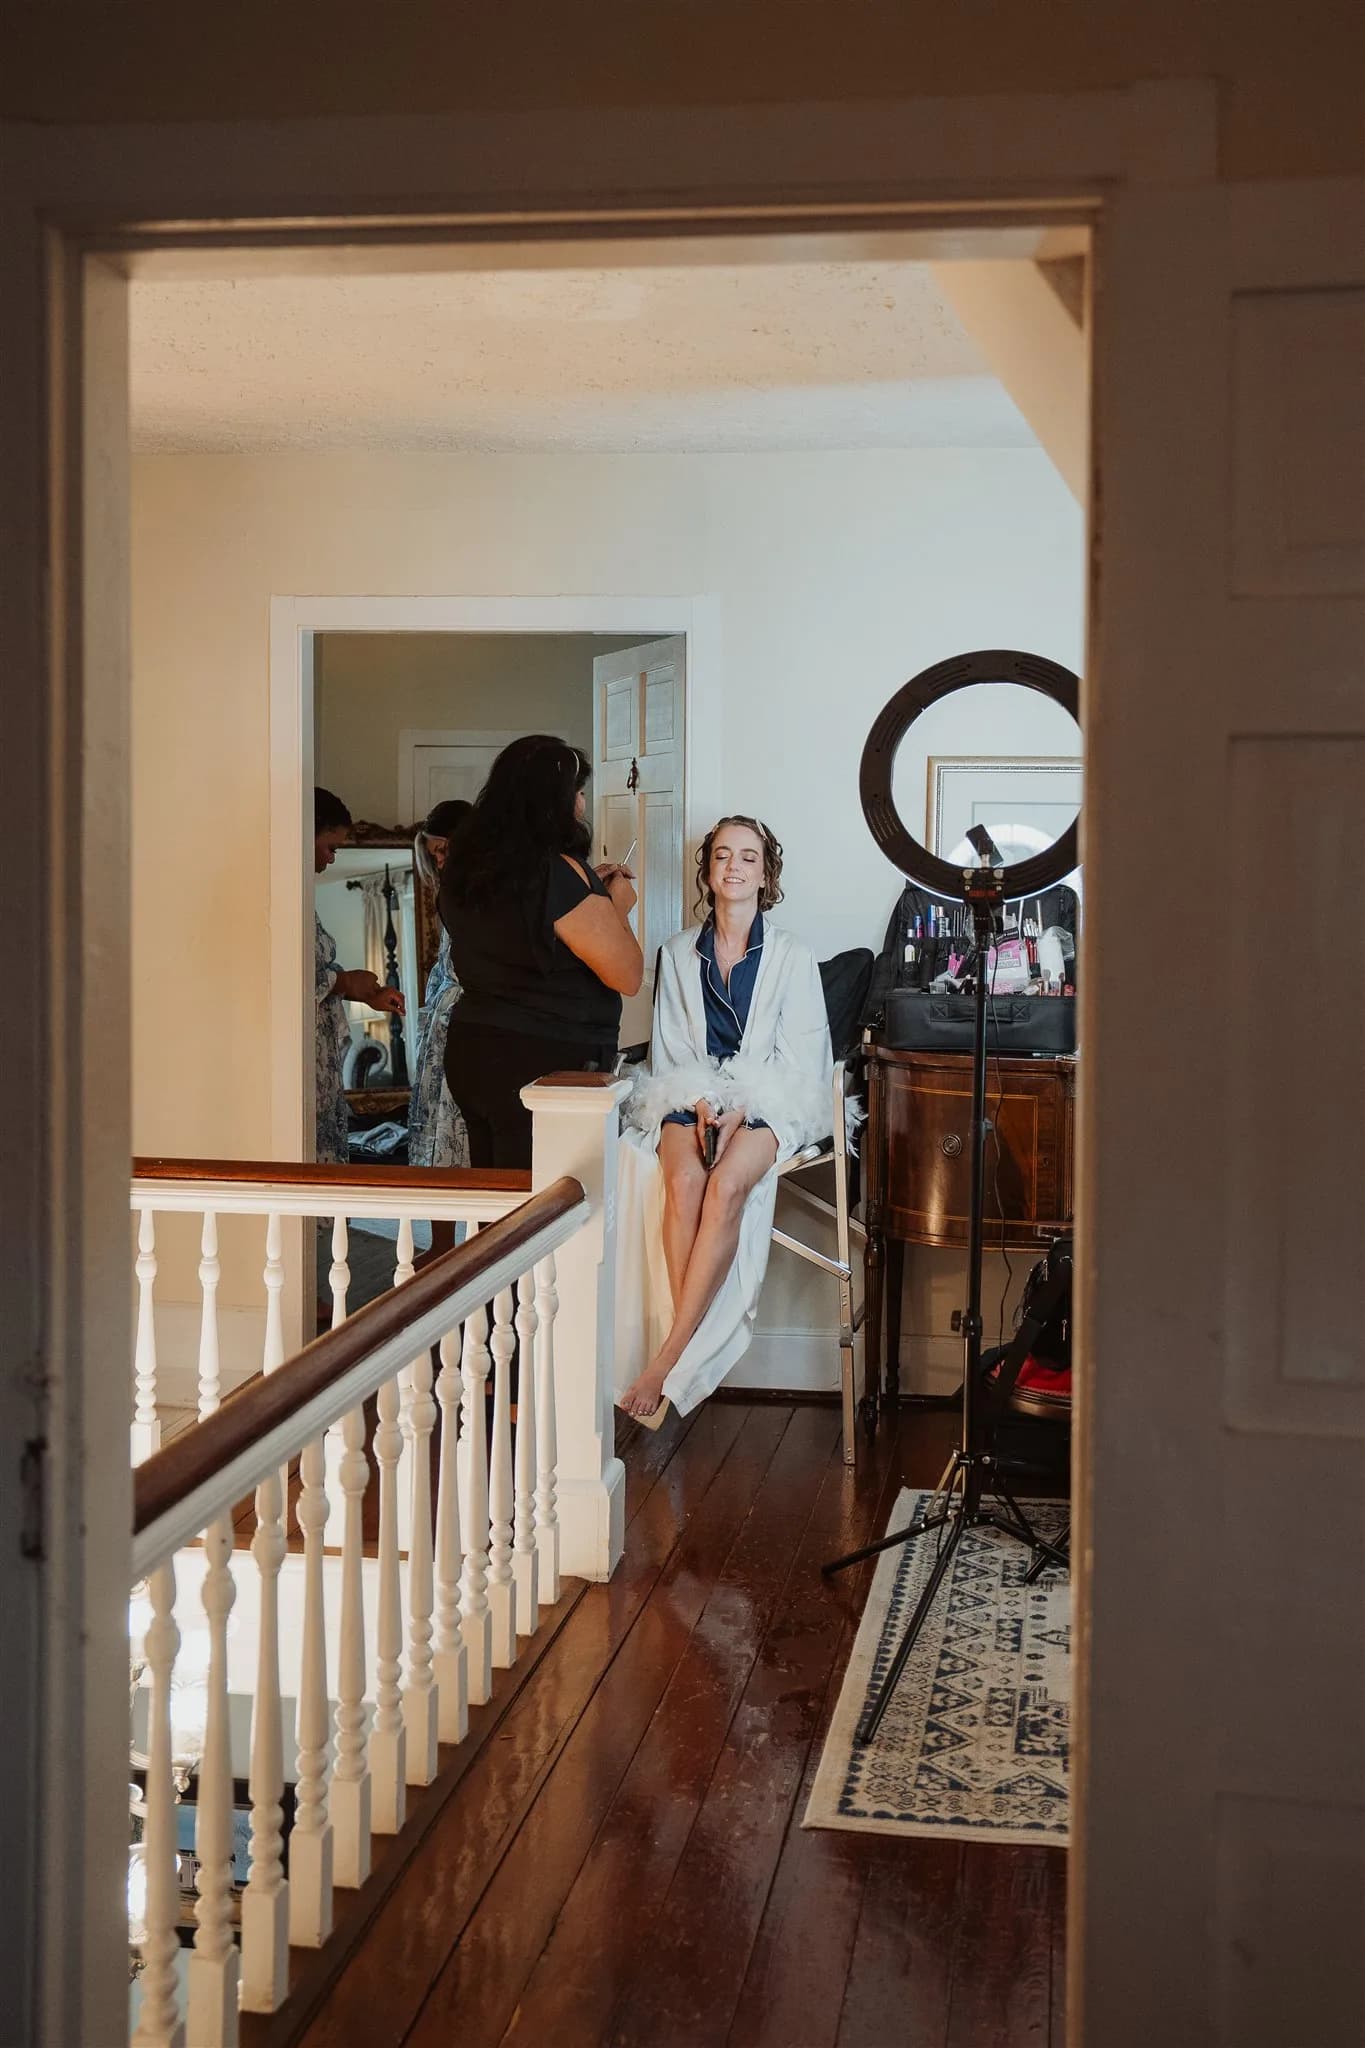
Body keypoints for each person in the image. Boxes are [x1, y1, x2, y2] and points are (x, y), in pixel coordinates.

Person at [615, 816, 832, 1426]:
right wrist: (708, 1104)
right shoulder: (678, 952)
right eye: (721, 856)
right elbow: (669, 1052)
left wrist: (743, 1110)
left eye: (747, 857)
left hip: (773, 1100)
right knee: (683, 1182)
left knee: (727, 1184)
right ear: (708, 872)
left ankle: (666, 1363)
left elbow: (802, 1058)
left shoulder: (792, 954)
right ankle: (686, 1350)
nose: (733, 866)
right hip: (691, 1094)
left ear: (767, 876)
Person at [439, 737, 642, 1168]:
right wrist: (617, 908)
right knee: (545, 1210)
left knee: (496, 1200)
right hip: (544, 1062)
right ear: (557, 800)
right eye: (579, 792)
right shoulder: (556, 872)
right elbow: (626, 975)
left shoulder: (465, 867)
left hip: (472, 1050)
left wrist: (591, 900)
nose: (583, 804)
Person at [314, 786, 405, 1165]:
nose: (331, 859)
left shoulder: (301, 899)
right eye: (329, 847)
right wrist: (344, 982)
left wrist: (364, 993)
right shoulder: (272, 896)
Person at [408, 798, 473, 1172]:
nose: (441, 861)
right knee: (439, 1134)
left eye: (445, 850)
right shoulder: (450, 892)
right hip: (445, 1021)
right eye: (435, 854)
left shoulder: (476, 891)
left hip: (464, 1021)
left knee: (457, 1132)